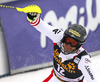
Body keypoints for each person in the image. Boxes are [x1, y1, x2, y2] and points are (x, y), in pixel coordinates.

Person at [26, 5, 97, 82]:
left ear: (79, 45)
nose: (68, 45)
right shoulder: (58, 36)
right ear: (64, 37)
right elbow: (41, 25)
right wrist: (32, 17)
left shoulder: (83, 60)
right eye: (67, 40)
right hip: (55, 78)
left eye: (73, 43)